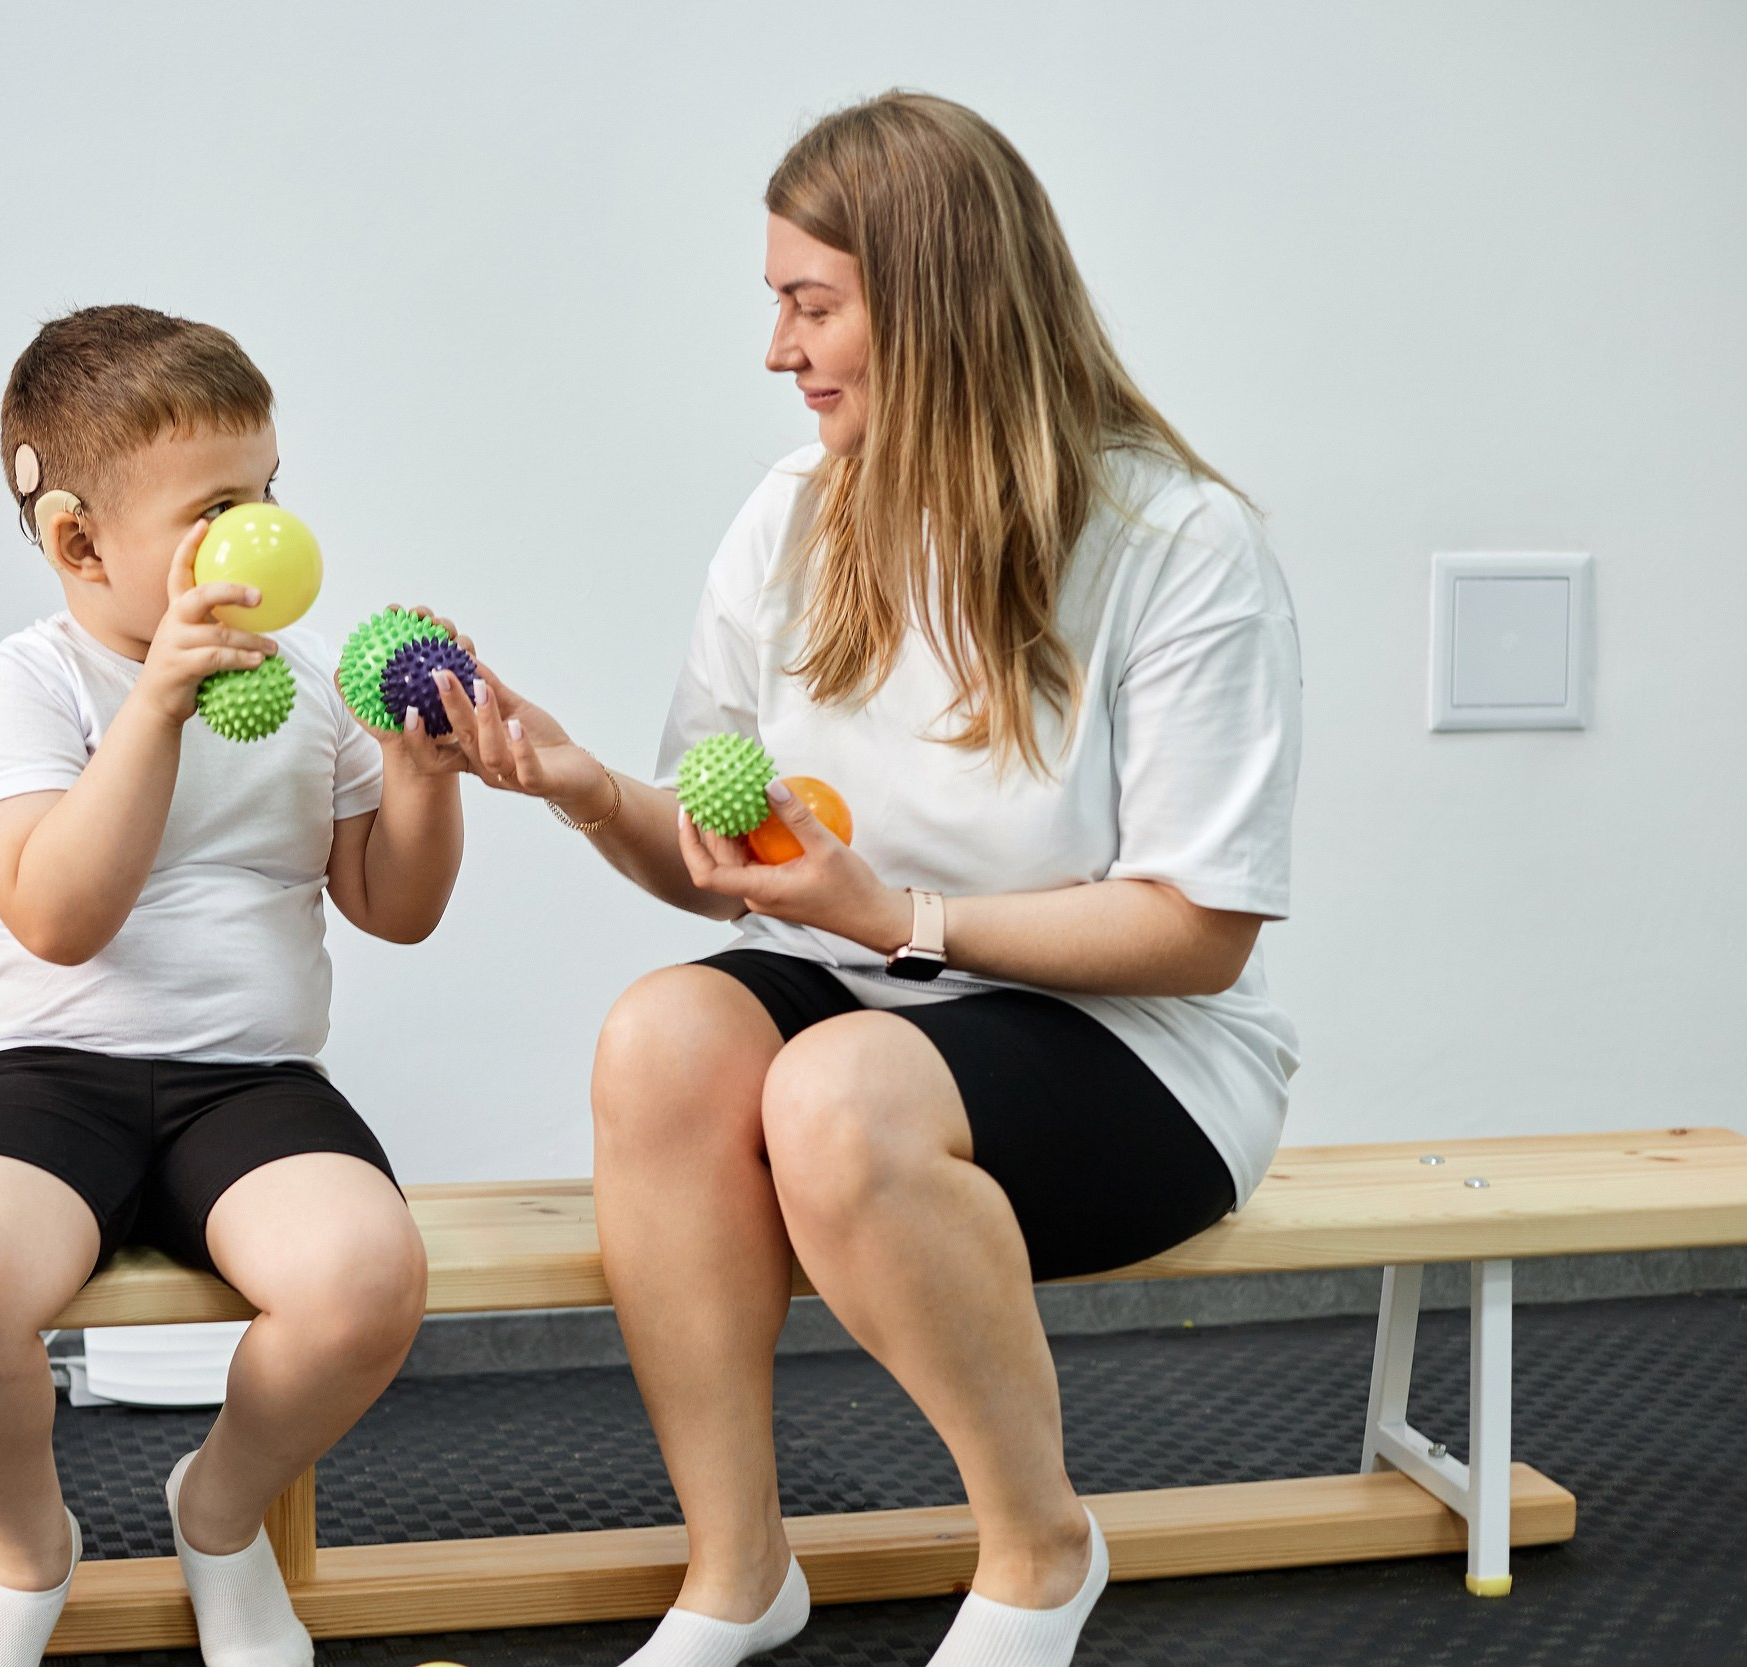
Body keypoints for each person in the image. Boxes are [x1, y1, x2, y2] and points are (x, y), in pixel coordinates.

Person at [429, 93, 1301, 1667]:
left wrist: (893, 920)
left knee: (836, 1094)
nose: (779, 348)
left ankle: (1039, 1553)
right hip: (867, 991)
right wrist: (583, 792)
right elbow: (727, 876)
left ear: (944, 307)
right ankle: (737, 1572)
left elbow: (1201, 934)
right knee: (662, 1038)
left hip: (1135, 1049)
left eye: (810, 304)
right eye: (780, 302)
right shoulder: (792, 516)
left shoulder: (1181, 544)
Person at [0, 305, 469, 1667]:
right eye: (217, 510)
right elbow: (61, 917)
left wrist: (426, 782)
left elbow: (396, 906)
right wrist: (151, 709)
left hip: (248, 1086)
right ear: (81, 542)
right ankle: (30, 1550)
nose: (261, 532)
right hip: (44, 1077)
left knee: (366, 1277)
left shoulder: (309, 691)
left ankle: (217, 1511)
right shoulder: (23, 688)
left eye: (267, 494)